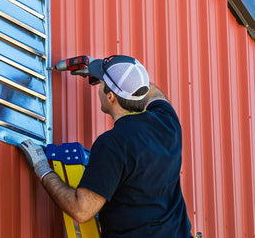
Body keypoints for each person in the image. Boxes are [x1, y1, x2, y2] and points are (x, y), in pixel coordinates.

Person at [20, 54, 192, 237]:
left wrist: (42, 170)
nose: (99, 85)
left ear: (110, 97)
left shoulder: (112, 143)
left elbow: (82, 210)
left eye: (101, 83)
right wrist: (117, 74)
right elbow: (153, 93)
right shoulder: (167, 122)